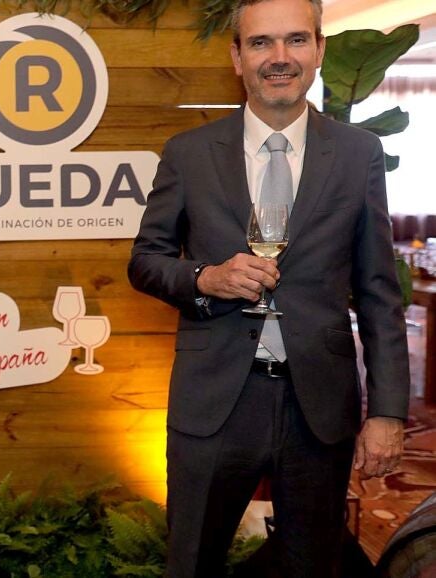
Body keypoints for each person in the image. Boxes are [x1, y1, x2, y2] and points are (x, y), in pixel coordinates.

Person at [127, 0, 409, 576]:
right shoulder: (189, 154)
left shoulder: (358, 154)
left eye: (296, 40)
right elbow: (145, 261)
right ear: (237, 56)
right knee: (192, 563)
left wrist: (387, 413)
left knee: (312, 567)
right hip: (214, 404)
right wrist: (205, 278)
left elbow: (379, 292)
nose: (280, 57)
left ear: (319, 50)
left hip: (318, 409)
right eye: (260, 43)